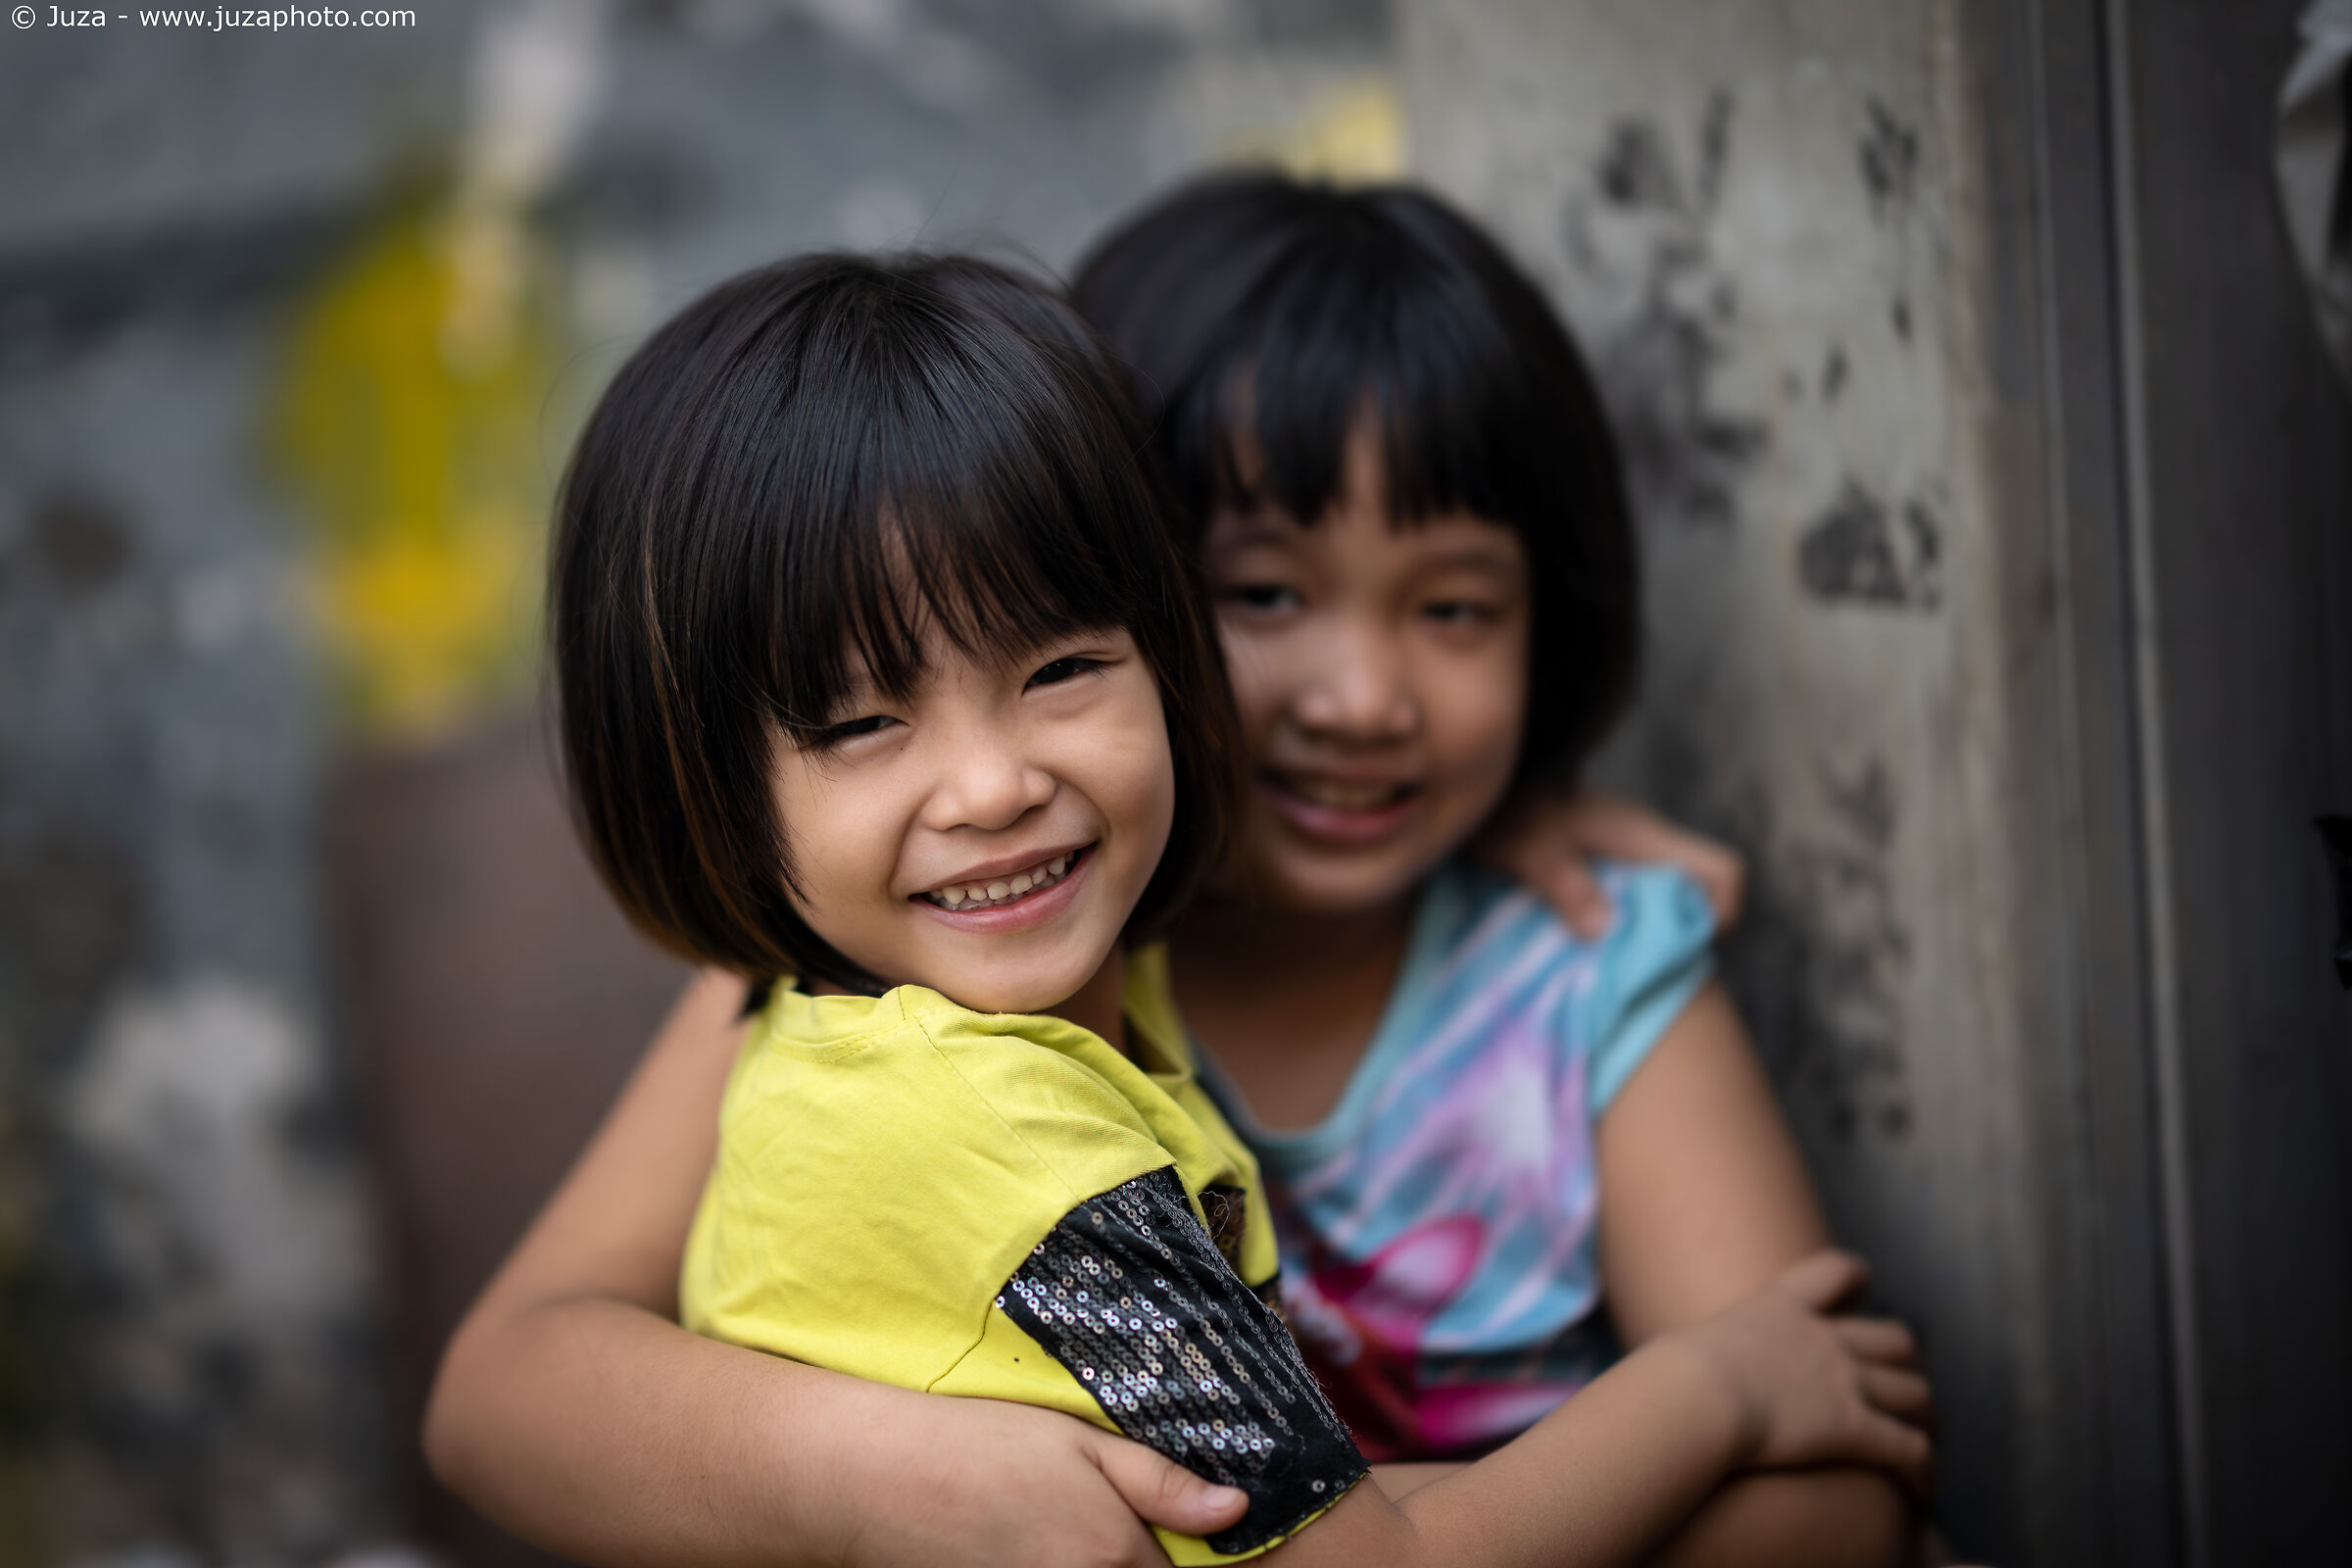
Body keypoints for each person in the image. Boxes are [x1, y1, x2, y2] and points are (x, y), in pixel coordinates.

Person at [426, 205, 1929, 1568]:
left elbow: (1840, 1467)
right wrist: (917, 1476)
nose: (1357, 695)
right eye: (1263, 594)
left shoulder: (1564, 959)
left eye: (1059, 667)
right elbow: (504, 1394)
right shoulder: (917, 979)